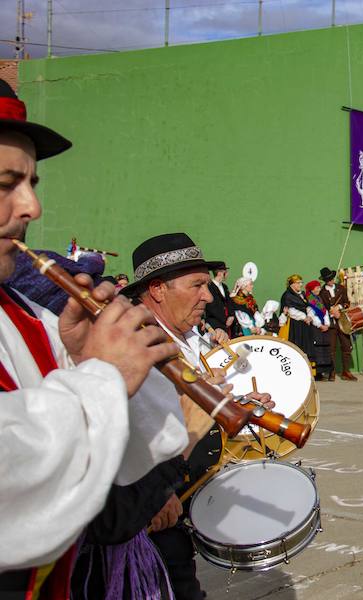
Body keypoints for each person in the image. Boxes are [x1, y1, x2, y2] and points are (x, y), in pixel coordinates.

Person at [0, 79, 185, 595]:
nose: (31, 207)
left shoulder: (26, 314)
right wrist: (103, 376)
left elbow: (113, 479)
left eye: (32, 183)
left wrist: (88, 360)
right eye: (5, 184)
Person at [112, 233, 273, 600]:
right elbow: (123, 429)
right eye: (197, 285)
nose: (207, 296)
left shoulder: (186, 338)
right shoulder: (134, 344)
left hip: (179, 500)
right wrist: (154, 494)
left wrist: (242, 403)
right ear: (157, 289)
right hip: (150, 517)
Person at [319, 266, 356, 381]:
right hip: (330, 323)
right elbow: (321, 308)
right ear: (325, 280)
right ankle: (332, 372)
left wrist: (338, 308)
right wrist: (330, 312)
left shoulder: (341, 288)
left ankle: (346, 371)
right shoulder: (321, 292)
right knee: (331, 349)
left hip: (343, 321)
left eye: (332, 278)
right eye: (329, 279)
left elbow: (346, 303)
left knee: (346, 347)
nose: (331, 280)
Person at [305, 280, 334, 381]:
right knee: (317, 349)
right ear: (312, 289)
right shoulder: (310, 299)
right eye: (317, 287)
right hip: (316, 328)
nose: (319, 289)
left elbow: (324, 311)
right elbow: (311, 314)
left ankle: (323, 371)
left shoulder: (319, 298)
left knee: (324, 348)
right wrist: (320, 325)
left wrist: (327, 324)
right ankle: (317, 373)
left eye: (319, 287)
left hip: (323, 327)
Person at [280, 274, 313, 359]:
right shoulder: (287, 295)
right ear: (292, 284)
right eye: (298, 283)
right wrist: (304, 317)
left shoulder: (302, 294)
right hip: (294, 326)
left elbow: (307, 306)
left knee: (306, 347)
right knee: (297, 346)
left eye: (301, 282)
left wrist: (309, 316)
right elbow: (290, 310)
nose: (300, 285)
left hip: (304, 324)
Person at [204, 262, 237, 337]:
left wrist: (231, 316)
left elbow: (229, 302)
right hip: (215, 324)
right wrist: (224, 320)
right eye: (225, 272)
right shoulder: (209, 287)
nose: (227, 274)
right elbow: (211, 307)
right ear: (220, 273)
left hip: (227, 324)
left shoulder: (224, 287)